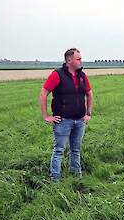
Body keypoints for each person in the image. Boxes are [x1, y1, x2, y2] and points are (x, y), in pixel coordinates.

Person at [39, 48, 93, 180]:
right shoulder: (57, 74)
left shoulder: (82, 76)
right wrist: (46, 116)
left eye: (81, 58)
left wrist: (88, 114)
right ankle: (55, 179)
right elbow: (43, 93)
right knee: (59, 151)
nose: (81, 61)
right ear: (69, 60)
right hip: (62, 121)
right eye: (78, 59)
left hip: (80, 120)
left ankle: (76, 176)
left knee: (76, 150)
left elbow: (89, 94)